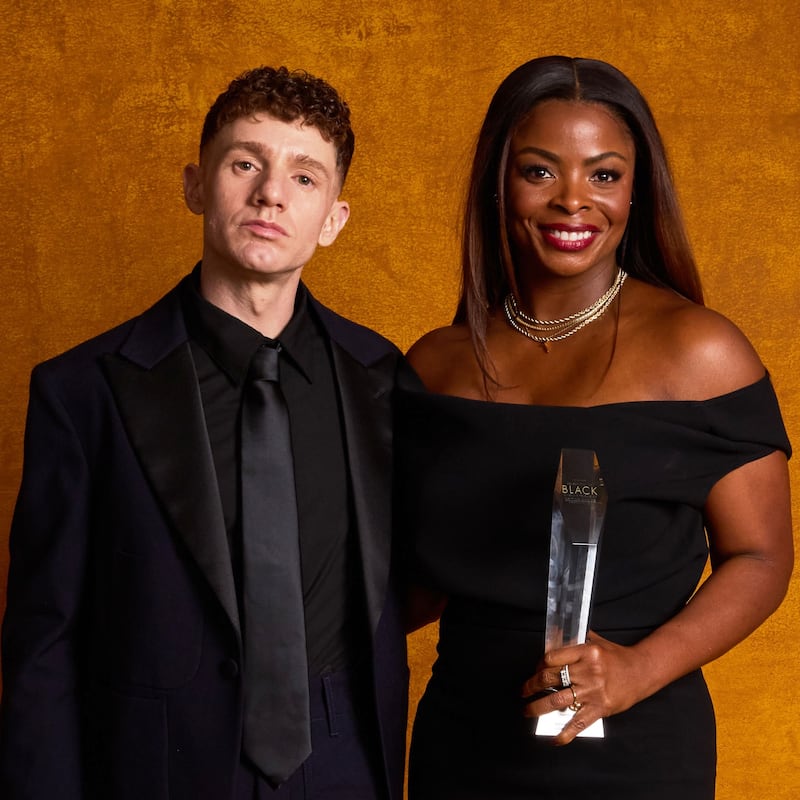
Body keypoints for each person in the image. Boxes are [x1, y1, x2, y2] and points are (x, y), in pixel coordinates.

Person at [0, 66, 409, 800]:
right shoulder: (82, 391)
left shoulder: (384, 378)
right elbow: (44, 643)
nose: (271, 193)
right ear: (196, 185)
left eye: (305, 177)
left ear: (335, 220)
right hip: (156, 770)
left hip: (345, 765)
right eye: (245, 163)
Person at [396, 56, 793, 799]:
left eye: (604, 175)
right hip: (462, 744)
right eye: (540, 172)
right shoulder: (437, 365)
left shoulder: (701, 353)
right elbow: (413, 585)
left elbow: (762, 557)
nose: (572, 202)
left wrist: (638, 670)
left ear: (637, 192)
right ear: (498, 181)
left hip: (635, 748)